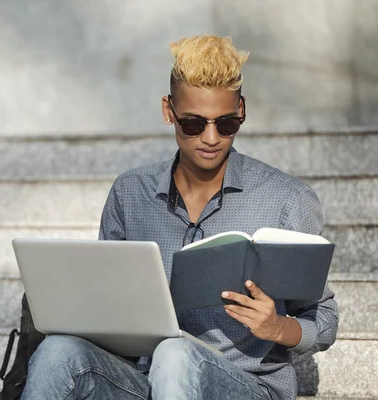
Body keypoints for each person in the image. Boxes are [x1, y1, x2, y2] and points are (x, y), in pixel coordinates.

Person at [21, 35, 339, 400]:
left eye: (226, 124)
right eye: (193, 123)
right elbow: (108, 308)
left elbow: (324, 321)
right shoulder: (131, 193)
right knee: (59, 351)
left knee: (175, 356)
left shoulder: (287, 200)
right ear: (167, 111)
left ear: (242, 110)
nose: (210, 138)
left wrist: (277, 326)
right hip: (149, 380)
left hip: (246, 386)